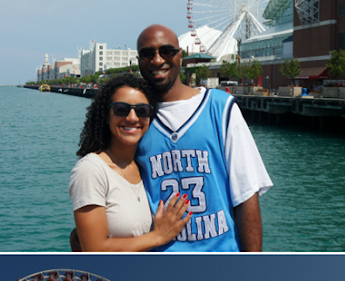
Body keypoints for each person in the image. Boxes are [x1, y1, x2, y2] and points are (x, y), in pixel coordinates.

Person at [135, 24, 272, 252]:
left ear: (181, 56)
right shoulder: (135, 120)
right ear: (138, 61)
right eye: (148, 54)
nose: (158, 60)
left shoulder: (221, 108)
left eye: (167, 51)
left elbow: (246, 196)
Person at [69, 73, 190, 251]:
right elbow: (94, 249)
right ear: (106, 115)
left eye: (142, 110)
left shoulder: (144, 166)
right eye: (121, 109)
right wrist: (157, 237)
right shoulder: (91, 170)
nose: (132, 117)